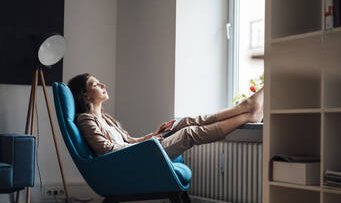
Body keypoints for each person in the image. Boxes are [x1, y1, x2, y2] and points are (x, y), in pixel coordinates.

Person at [68, 73, 264, 160]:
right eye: (95, 84)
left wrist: (154, 134)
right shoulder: (86, 119)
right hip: (133, 159)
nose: (102, 85)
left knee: (183, 122)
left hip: (139, 151)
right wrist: (145, 144)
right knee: (188, 133)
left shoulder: (106, 118)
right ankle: (246, 116)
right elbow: (105, 150)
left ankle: (244, 108)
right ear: (85, 95)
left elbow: (129, 140)